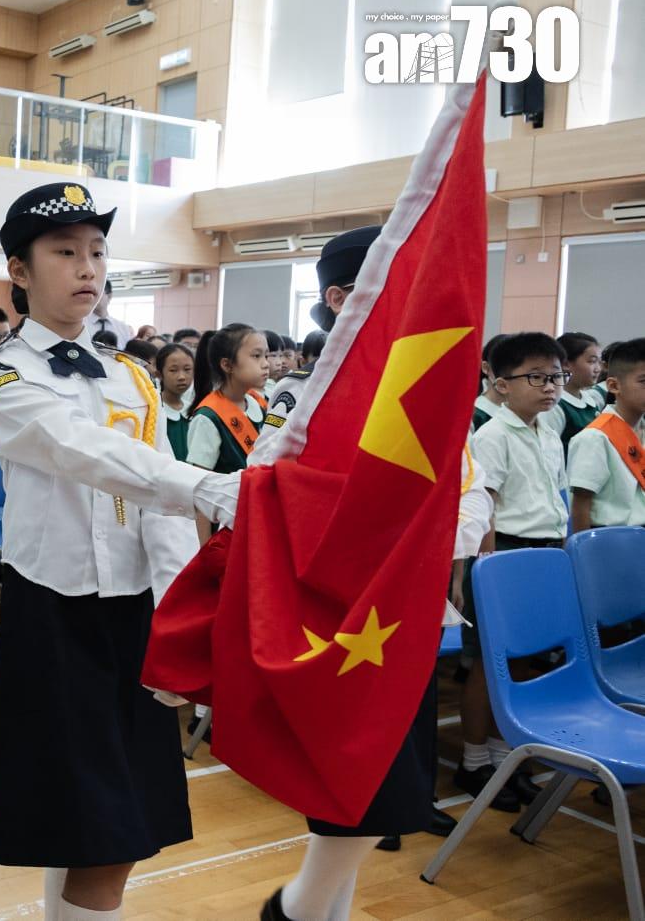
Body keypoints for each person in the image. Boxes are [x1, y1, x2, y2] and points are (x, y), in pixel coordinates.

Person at [0, 182, 234, 920]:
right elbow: (75, 448)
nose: (87, 267)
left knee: (102, 823)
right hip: (53, 613)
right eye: (64, 252)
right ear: (19, 271)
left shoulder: (130, 376)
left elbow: (154, 511)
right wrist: (206, 486)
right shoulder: (2, 371)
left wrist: (176, 624)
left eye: (96, 251)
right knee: (95, 826)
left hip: (132, 613)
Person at [252, 226, 464, 920]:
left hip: (409, 600)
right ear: (342, 297)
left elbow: (460, 487)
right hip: (339, 609)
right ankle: (300, 908)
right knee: (365, 780)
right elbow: (267, 486)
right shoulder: (305, 394)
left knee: (387, 781)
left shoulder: (417, 377)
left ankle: (315, 911)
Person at [463, 332, 568, 813]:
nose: (549, 387)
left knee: (525, 658)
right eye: (537, 377)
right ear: (500, 384)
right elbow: (486, 510)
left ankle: (506, 756)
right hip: (503, 555)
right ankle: (473, 760)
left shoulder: (550, 431)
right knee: (491, 664)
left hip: (545, 554)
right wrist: (488, 572)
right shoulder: (492, 436)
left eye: (556, 377)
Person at [569, 338, 645, 532]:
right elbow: (581, 504)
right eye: (644, 381)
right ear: (613, 386)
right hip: (610, 539)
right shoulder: (596, 437)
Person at [184, 324, 268, 479]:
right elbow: (200, 481)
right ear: (228, 365)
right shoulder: (208, 417)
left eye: (266, 356)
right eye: (256, 356)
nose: (266, 364)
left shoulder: (260, 403)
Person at [547, 332, 604, 451]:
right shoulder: (555, 405)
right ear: (566, 364)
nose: (598, 369)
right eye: (592, 361)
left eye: (599, 362)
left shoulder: (590, 401)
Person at [153, 342, 194, 462]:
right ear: (159, 374)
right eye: (173, 370)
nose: (182, 376)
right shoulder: (154, 411)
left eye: (187, 369)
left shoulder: (195, 411)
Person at [473, 333, 510, 431]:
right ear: (485, 367)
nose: (512, 373)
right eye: (504, 364)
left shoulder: (526, 412)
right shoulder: (476, 415)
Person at [87, 278, 132, 343]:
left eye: (96, 292)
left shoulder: (123, 328)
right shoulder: (79, 326)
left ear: (109, 296)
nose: (91, 297)